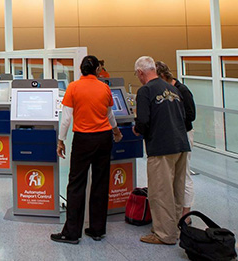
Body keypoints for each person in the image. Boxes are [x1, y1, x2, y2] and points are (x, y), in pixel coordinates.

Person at [51, 55, 123, 245]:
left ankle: (72, 232)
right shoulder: (105, 88)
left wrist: (61, 141)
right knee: (100, 183)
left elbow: (66, 118)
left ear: (80, 70)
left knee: (76, 184)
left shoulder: (73, 87)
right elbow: (110, 115)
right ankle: (97, 229)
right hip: (104, 138)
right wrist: (116, 132)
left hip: (83, 140)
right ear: (97, 70)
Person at [132, 56, 190, 246]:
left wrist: (137, 129)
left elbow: (143, 121)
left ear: (141, 72)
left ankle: (164, 234)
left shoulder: (145, 91)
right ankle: (175, 229)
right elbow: (184, 116)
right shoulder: (173, 88)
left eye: (137, 74)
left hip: (161, 147)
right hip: (181, 144)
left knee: (160, 191)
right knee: (176, 190)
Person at [156, 60, 196, 218]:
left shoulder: (182, 90)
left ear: (163, 76)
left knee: (184, 175)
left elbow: (191, 115)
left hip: (183, 134)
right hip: (172, 135)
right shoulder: (167, 91)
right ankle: (175, 210)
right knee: (172, 176)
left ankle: (186, 213)